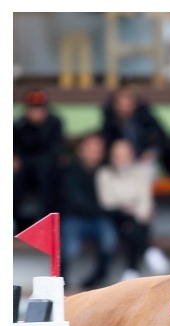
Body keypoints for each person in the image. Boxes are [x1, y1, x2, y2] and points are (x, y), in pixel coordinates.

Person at [96, 138, 170, 281]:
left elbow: (145, 198)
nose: (122, 159)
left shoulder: (141, 171)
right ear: (112, 157)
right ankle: (148, 250)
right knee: (128, 222)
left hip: (136, 217)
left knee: (130, 226)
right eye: (118, 155)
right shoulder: (104, 173)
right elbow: (107, 201)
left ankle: (132, 269)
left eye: (126, 154)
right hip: (115, 215)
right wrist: (130, 207)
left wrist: (138, 213)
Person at [60, 134, 119, 291]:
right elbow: (76, 200)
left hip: (99, 219)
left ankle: (97, 278)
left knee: (110, 240)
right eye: (92, 149)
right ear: (81, 151)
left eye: (99, 149)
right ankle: (61, 280)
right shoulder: (70, 171)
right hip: (75, 218)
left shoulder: (107, 171)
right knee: (71, 248)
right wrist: (109, 210)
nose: (96, 152)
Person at [13, 89, 65, 231]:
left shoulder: (54, 123)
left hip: (46, 168)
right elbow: (15, 148)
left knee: (45, 172)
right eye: (32, 108)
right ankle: (14, 219)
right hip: (25, 168)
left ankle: (44, 220)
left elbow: (56, 149)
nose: (36, 112)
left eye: (39, 108)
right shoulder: (19, 124)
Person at [100, 85, 170, 171]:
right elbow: (107, 144)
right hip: (119, 160)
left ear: (135, 104)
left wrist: (152, 151)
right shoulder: (110, 121)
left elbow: (162, 138)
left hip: (142, 159)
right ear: (115, 105)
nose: (124, 108)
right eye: (121, 104)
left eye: (128, 104)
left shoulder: (146, 118)